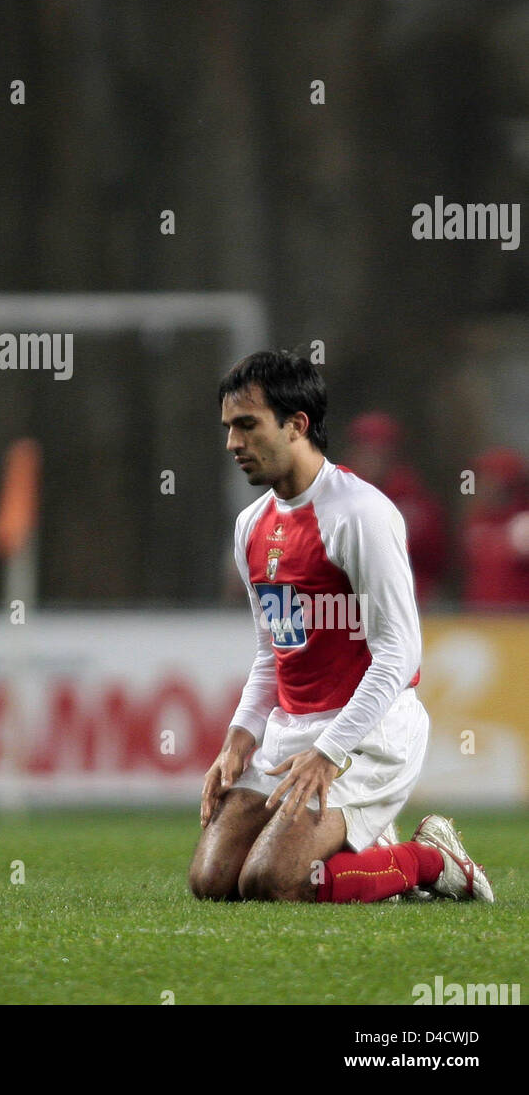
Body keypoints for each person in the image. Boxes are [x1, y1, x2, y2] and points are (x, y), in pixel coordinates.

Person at [189, 350, 492, 904]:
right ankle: (361, 847)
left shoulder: (360, 514)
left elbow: (399, 655)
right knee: (212, 883)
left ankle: (433, 860)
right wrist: (239, 736)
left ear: (297, 424)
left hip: (368, 737)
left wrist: (330, 751)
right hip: (290, 734)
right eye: (229, 428)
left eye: (247, 425)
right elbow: (271, 650)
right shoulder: (251, 526)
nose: (233, 443)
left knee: (275, 882)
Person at [343, 411, 447, 603]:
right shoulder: (337, 493)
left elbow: (437, 560)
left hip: (410, 605)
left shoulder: (414, 501)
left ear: (392, 455)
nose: (371, 458)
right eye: (364, 449)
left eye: (378, 452)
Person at [461, 447, 529, 609]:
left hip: (517, 621)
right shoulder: (476, 521)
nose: (481, 484)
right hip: (479, 616)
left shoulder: (523, 520)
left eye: (490, 477)